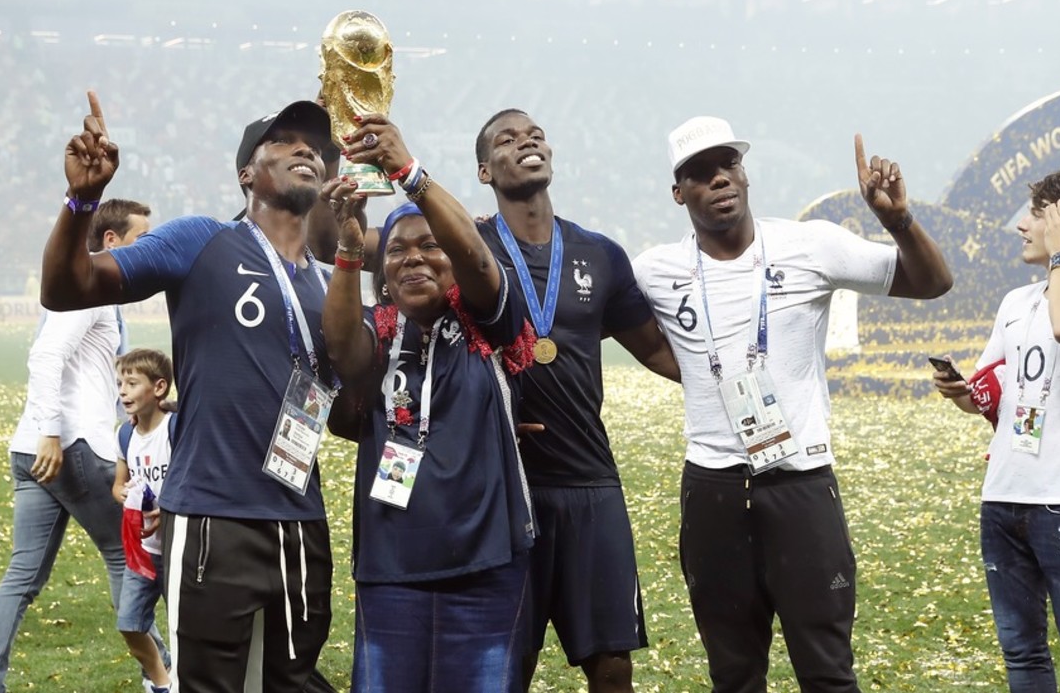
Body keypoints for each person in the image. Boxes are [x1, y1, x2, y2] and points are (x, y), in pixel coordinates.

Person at [633, 116, 952, 692]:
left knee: (828, 672)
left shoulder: (812, 245)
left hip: (801, 484)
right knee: (734, 673)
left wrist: (897, 220)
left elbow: (931, 282)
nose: (720, 180)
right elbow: (610, 326)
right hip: (713, 491)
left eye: (728, 165)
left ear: (745, 174)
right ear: (679, 193)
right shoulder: (655, 270)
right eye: (701, 174)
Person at [38, 91, 337, 692]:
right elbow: (69, 286)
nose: (306, 149)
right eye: (284, 140)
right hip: (211, 516)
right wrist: (82, 201)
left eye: (316, 146)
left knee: (291, 681)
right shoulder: (203, 240)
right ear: (247, 173)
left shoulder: (332, 282)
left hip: (301, 518)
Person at [321, 115, 537, 693]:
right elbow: (342, 349)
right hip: (391, 569)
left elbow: (475, 252)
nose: (413, 258)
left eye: (429, 246)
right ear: (383, 274)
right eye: (397, 251)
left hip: (487, 564)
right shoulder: (379, 329)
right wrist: (348, 248)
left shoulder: (487, 319)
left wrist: (409, 174)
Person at [473, 109, 680, 693]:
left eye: (535, 134)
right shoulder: (470, 248)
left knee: (612, 666)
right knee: (501, 666)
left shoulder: (600, 254)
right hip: (504, 487)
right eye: (507, 140)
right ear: (485, 170)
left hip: (591, 482)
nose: (526, 141)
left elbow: (658, 352)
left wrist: (730, 376)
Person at [0, 198, 155, 693]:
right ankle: (162, 677)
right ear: (112, 242)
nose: (151, 248)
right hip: (69, 445)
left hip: (34, 446)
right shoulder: (89, 288)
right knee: (125, 556)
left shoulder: (93, 291)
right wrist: (52, 430)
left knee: (22, 577)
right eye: (143, 238)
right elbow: (46, 354)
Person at [933, 170, 1060, 692]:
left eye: (1037, 213)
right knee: (1021, 653)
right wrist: (965, 391)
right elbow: (994, 388)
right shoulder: (1014, 303)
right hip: (1004, 496)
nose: (1021, 225)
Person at [112, 348, 176, 693]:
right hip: (143, 552)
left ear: (160, 388)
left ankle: (186, 679)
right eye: (120, 382)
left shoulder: (174, 428)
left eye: (132, 383)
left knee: (187, 627)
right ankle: (161, 681)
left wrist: (166, 506)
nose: (122, 390)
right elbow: (117, 485)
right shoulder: (125, 435)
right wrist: (125, 495)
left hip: (180, 549)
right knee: (129, 622)